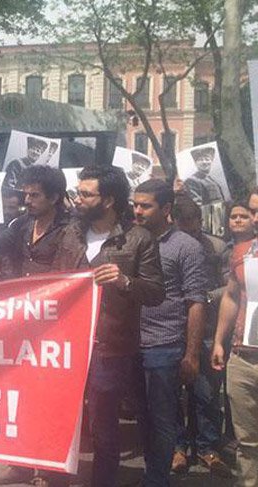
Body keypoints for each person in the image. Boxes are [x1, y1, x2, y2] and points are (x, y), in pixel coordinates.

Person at [52, 164, 164, 487]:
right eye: (78, 192)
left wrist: (125, 280)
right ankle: (53, 475)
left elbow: (156, 293)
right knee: (62, 418)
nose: (78, 199)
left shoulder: (139, 240)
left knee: (103, 426)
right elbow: (56, 282)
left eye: (86, 194)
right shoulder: (70, 234)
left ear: (109, 200)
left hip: (109, 347)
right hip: (68, 343)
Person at [0, 165, 70, 486]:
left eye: (35, 195)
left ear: (55, 197)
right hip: (24, 323)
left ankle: (47, 469)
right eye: (26, 194)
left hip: (57, 325)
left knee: (51, 399)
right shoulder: (22, 224)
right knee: (19, 395)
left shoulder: (70, 230)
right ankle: (19, 464)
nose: (28, 200)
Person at [132, 179, 209, 487]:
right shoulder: (129, 241)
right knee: (142, 418)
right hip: (131, 344)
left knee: (162, 420)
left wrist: (190, 354)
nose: (137, 211)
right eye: (135, 204)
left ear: (165, 209)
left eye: (145, 205)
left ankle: (156, 481)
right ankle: (152, 473)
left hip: (164, 346)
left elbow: (195, 302)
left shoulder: (186, 247)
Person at [170, 196, 232, 476]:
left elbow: (232, 286)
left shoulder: (216, 247)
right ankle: (178, 448)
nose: (188, 226)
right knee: (172, 395)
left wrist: (207, 297)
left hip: (207, 330)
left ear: (199, 220)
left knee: (206, 394)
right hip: (173, 330)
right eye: (182, 221)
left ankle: (208, 447)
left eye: (192, 221)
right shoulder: (165, 245)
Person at [211, 188, 258, 486]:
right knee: (247, 440)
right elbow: (231, 296)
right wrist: (219, 341)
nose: (254, 217)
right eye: (253, 211)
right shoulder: (242, 252)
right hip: (243, 357)